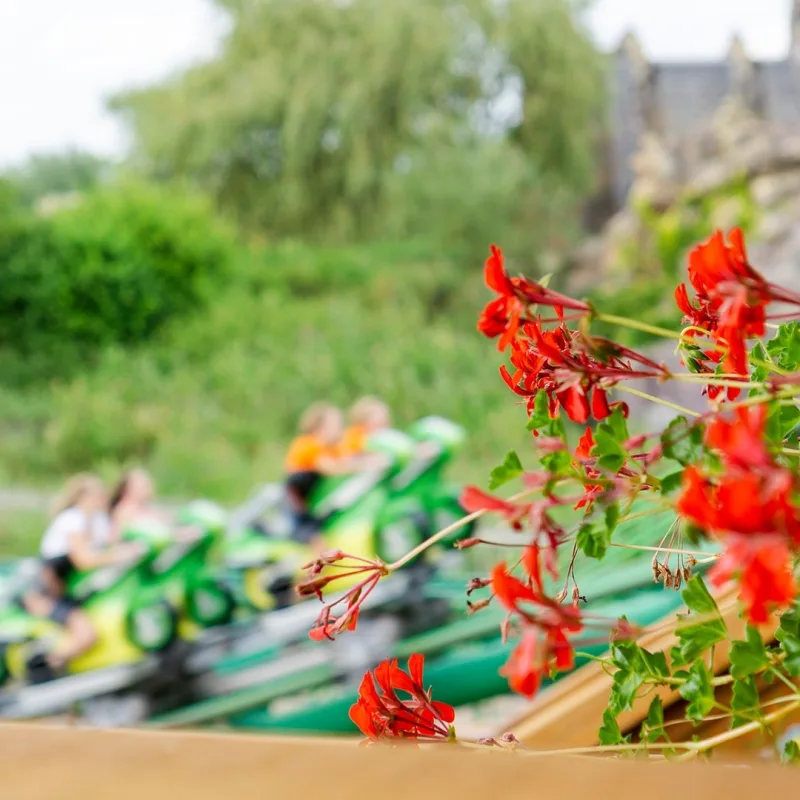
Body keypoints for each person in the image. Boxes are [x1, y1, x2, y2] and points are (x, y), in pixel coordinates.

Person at [24, 474, 143, 673]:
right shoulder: (72, 518)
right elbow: (83, 560)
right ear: (83, 497)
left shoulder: (97, 521)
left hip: (70, 592)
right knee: (86, 635)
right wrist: (119, 555)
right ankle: (45, 666)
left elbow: (112, 543)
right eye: (97, 495)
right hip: (46, 594)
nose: (101, 499)